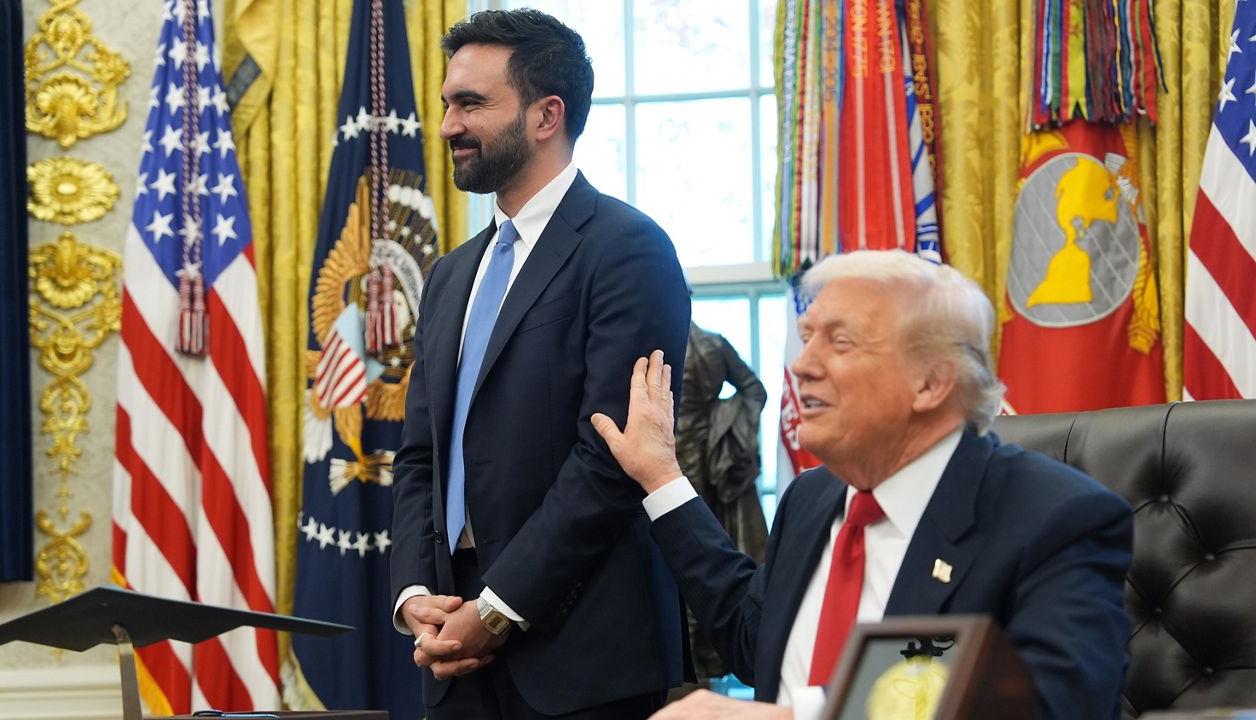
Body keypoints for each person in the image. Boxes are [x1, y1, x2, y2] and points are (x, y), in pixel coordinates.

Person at [592, 250, 1133, 719]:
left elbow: (1049, 704)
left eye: (840, 342)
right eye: (807, 338)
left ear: (931, 382)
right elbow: (756, 641)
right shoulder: (812, 498)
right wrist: (661, 475)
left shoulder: (1056, 520)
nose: (802, 366)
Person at [389, 8, 692, 719]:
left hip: (582, 660)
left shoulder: (627, 250)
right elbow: (417, 459)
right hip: (452, 655)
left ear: (545, 114)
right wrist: (414, 600)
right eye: (445, 105)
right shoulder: (449, 275)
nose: (447, 127)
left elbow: (610, 460)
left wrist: (496, 611)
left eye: (471, 105)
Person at [676, 322, 768, 682]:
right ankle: (691, 660)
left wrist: (724, 427)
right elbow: (754, 390)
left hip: (708, 462)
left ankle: (702, 661)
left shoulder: (709, 344)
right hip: (667, 456)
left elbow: (752, 390)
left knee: (700, 556)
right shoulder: (712, 343)